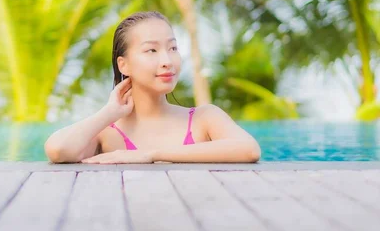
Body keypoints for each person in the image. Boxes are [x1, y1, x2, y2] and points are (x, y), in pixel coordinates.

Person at [44, 11, 261, 164]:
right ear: (124, 64)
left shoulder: (203, 118)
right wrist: (109, 113)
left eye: (173, 47)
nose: (167, 60)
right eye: (152, 50)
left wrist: (151, 154)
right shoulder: (108, 133)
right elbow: (58, 150)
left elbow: (249, 150)